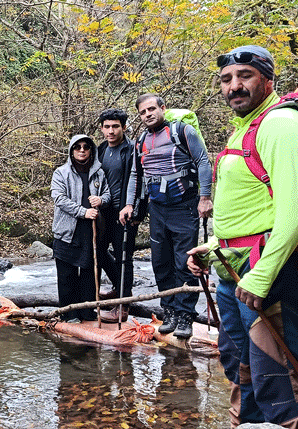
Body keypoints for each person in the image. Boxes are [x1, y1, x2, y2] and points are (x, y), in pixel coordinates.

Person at [188, 45, 298, 428]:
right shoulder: (247, 126)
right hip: (234, 269)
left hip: (270, 272)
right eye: (227, 80)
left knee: (278, 377)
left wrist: (262, 275)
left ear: (268, 78)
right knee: (242, 368)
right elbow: (253, 207)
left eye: (245, 76)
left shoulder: (281, 125)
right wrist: (215, 247)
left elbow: (297, 210)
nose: (235, 86)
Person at [118, 93, 213, 339]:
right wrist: (129, 204)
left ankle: (185, 315)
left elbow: (203, 161)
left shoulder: (182, 132)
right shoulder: (141, 141)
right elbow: (136, 176)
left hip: (185, 206)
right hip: (157, 209)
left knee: (185, 262)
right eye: (143, 112)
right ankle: (168, 311)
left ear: (162, 108)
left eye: (152, 109)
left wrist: (205, 197)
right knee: (161, 262)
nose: (148, 114)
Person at [51, 134, 110, 322]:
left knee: (89, 275)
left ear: (91, 149)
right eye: (78, 147)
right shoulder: (61, 173)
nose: (82, 150)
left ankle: (88, 310)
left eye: (86, 147)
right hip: (67, 232)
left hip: (91, 231)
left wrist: (101, 200)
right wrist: (82, 212)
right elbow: (59, 199)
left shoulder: (99, 172)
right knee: (67, 276)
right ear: (71, 150)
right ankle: (68, 314)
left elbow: (108, 194)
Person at [95, 109, 137, 322]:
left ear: (124, 127)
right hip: (104, 212)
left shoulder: (131, 150)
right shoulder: (101, 149)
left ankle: (123, 304)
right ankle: (118, 288)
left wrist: (135, 209)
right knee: (99, 252)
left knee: (123, 257)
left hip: (124, 212)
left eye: (116, 126)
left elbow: (138, 181)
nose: (111, 131)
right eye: (107, 127)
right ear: (101, 128)